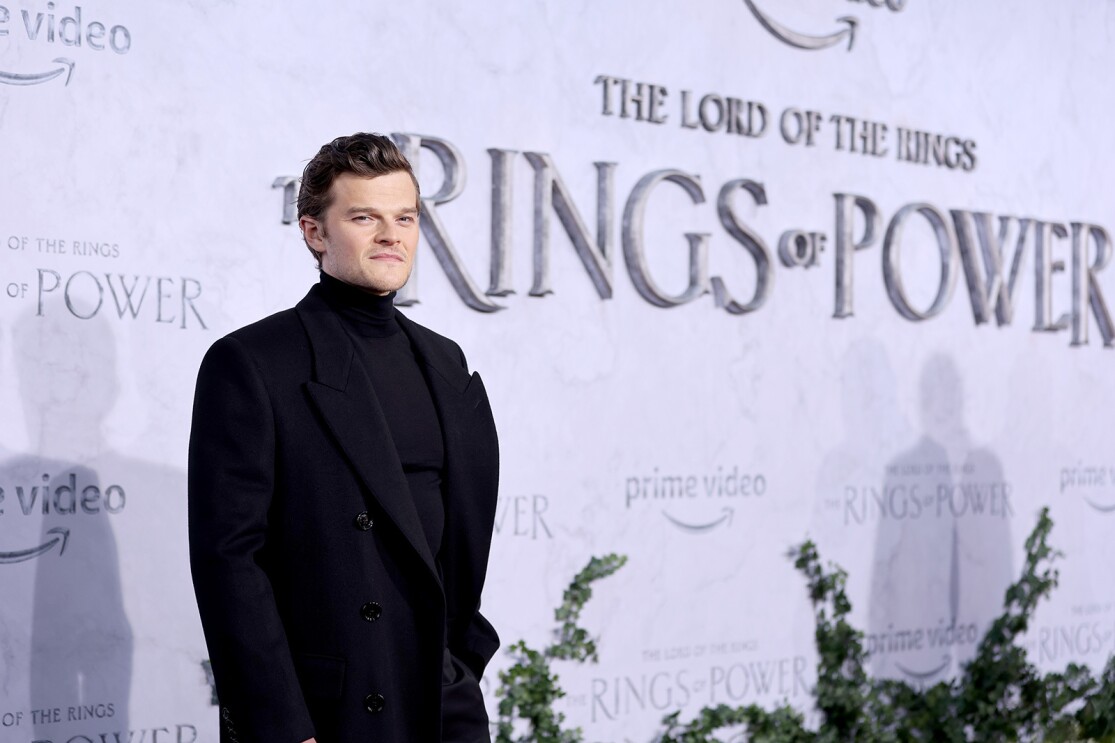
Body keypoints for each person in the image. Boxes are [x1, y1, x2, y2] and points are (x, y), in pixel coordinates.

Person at [188, 133, 500, 742]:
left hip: (441, 702)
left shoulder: (444, 362)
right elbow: (229, 560)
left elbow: (458, 543)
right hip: (326, 713)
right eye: (365, 217)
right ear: (314, 232)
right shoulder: (254, 363)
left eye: (404, 217)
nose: (392, 235)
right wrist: (280, 723)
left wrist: (462, 665)